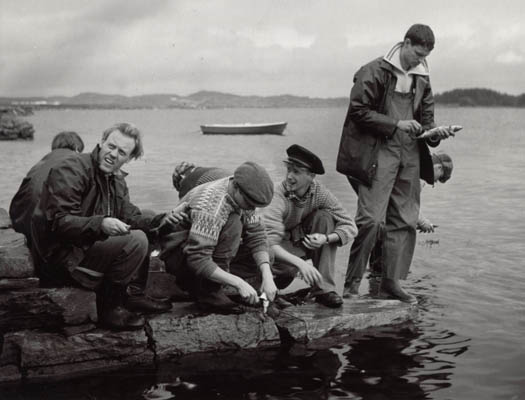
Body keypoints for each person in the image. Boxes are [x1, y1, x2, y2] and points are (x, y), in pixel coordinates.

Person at [336, 24, 454, 304]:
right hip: (379, 152)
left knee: (405, 220)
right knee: (371, 221)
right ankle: (351, 286)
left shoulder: (423, 77)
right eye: (416, 54)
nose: (420, 61)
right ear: (405, 43)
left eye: (425, 56)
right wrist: (396, 123)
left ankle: (391, 282)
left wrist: (436, 133)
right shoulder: (374, 71)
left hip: (410, 154)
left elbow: (426, 121)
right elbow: (357, 111)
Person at [30, 123, 180, 330]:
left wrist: (162, 220)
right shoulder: (72, 169)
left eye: (121, 152)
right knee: (136, 240)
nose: (113, 154)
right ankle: (109, 308)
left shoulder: (116, 180)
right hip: (62, 259)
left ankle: (133, 295)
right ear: (101, 142)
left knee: (148, 216)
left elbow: (130, 216)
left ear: (129, 158)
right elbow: (58, 221)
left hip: (85, 249)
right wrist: (100, 224)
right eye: (111, 146)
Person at [160, 161, 277, 315]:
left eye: (255, 205)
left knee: (267, 256)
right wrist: (239, 283)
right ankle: (209, 291)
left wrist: (267, 275)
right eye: (249, 203)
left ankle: (223, 285)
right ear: (236, 187)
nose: (251, 208)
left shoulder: (242, 195)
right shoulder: (210, 205)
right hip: (181, 256)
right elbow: (197, 258)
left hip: (209, 251)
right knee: (234, 222)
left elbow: (257, 236)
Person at [256, 144, 357, 308]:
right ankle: (266, 290)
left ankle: (323, 290)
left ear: (311, 176)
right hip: (272, 248)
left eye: (296, 172)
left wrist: (325, 238)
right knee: (288, 270)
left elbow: (350, 225)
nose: (289, 176)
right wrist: (300, 264)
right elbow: (267, 243)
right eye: (288, 170)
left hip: (296, 241)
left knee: (325, 218)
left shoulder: (319, 192)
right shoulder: (278, 195)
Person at [345, 152, 454, 298]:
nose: (433, 184)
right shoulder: (419, 175)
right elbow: (405, 204)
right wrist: (422, 222)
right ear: (439, 168)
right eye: (438, 179)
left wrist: (416, 219)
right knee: (379, 222)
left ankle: (377, 273)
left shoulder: (416, 165)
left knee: (382, 221)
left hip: (363, 168)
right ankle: (363, 282)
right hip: (368, 173)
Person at [9, 131, 84, 245]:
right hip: (45, 235)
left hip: (22, 225)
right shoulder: (74, 161)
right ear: (77, 148)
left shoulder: (40, 164)